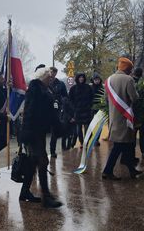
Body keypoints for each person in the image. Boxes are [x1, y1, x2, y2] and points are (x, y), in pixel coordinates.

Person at [21, 64, 62, 208]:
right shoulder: (35, 89)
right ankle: (46, 196)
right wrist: (26, 132)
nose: (51, 77)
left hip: (39, 131)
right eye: (48, 75)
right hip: (33, 132)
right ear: (42, 77)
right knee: (43, 161)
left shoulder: (44, 89)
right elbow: (29, 112)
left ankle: (25, 192)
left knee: (33, 162)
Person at [102, 57, 143, 180]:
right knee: (120, 145)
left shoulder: (108, 80)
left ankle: (132, 170)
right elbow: (134, 98)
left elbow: (105, 98)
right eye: (130, 69)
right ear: (128, 69)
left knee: (124, 144)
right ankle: (107, 171)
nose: (131, 72)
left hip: (114, 118)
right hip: (125, 118)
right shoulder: (128, 79)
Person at [69, 73, 93, 149]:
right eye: (80, 77)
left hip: (87, 110)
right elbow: (70, 100)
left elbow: (92, 97)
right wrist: (74, 108)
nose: (81, 79)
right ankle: (82, 142)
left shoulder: (88, 87)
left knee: (87, 128)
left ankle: (86, 142)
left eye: (82, 77)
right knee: (78, 129)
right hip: (77, 111)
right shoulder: (73, 88)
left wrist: (90, 106)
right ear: (77, 78)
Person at [49, 67, 68, 157]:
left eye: (54, 72)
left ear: (56, 73)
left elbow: (65, 96)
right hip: (45, 110)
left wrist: (61, 101)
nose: (52, 74)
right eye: (51, 72)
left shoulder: (60, 84)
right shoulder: (45, 83)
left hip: (57, 110)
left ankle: (53, 151)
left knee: (54, 132)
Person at [90, 72, 104, 146]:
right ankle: (92, 138)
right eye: (95, 79)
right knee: (92, 124)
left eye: (98, 79)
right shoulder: (90, 88)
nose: (96, 81)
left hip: (100, 108)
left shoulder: (102, 88)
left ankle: (97, 139)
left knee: (100, 125)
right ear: (93, 80)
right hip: (92, 108)